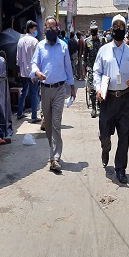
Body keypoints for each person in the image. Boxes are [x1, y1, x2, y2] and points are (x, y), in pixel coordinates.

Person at [93, 14, 129, 184]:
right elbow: (97, 72)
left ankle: (120, 169)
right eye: (116, 26)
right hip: (107, 100)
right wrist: (98, 89)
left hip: (124, 100)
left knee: (124, 135)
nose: (119, 29)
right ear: (111, 29)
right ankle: (105, 149)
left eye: (122, 26)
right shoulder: (103, 50)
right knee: (105, 134)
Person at [30, 16, 75, 171]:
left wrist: (72, 85)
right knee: (48, 124)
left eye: (53, 27)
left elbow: (68, 67)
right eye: (48, 27)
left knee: (56, 123)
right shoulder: (40, 46)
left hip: (59, 89)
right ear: (45, 30)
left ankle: (54, 157)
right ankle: (53, 151)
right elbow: (34, 63)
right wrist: (37, 72)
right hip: (44, 89)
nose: (50, 30)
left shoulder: (63, 46)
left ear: (57, 28)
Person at [16, 20, 40, 123]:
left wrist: (20, 69)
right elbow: (38, 58)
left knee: (23, 92)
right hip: (33, 72)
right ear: (31, 29)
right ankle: (34, 116)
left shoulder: (20, 41)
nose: (36, 31)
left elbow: (17, 58)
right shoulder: (34, 41)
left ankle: (19, 113)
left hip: (23, 72)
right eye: (35, 29)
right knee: (34, 93)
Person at [84, 20, 104, 118]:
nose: (94, 32)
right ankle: (94, 108)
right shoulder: (87, 41)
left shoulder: (102, 40)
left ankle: (100, 105)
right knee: (92, 88)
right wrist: (84, 69)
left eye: (95, 30)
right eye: (92, 30)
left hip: (101, 67)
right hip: (91, 67)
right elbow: (85, 57)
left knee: (100, 87)